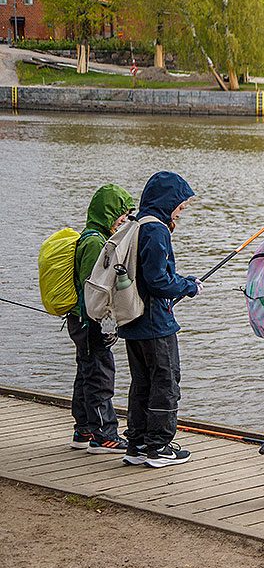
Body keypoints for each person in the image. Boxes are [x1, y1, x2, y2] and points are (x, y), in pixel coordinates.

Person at [117, 172, 201, 469]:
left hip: (132, 320)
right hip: (155, 322)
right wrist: (188, 286)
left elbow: (147, 274)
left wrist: (180, 281)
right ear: (168, 202)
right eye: (180, 206)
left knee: (141, 383)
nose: (181, 211)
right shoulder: (157, 231)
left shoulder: (136, 225)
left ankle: (137, 443)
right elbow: (157, 281)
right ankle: (159, 446)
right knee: (165, 382)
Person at [68, 184, 135, 453]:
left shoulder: (89, 236)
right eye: (121, 215)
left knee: (86, 372)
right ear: (108, 213)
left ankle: (83, 429)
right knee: (100, 374)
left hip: (80, 320)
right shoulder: (96, 242)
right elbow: (93, 287)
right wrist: (103, 319)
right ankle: (104, 434)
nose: (123, 221)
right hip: (90, 321)